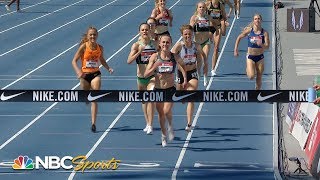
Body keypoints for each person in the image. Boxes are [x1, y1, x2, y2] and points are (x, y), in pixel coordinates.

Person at [144, 34, 187, 147]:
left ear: (171, 43)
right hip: (158, 89)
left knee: (167, 111)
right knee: (161, 114)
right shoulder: (154, 57)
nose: (165, 44)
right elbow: (145, 74)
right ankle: (163, 135)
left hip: (170, 89)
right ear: (159, 43)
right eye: (163, 42)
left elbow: (183, 66)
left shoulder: (174, 57)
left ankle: (170, 126)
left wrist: (184, 79)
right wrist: (155, 67)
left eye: (167, 42)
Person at [72, 27, 113, 132]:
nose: (92, 36)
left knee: (94, 97)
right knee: (86, 94)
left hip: (95, 74)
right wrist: (79, 72)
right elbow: (74, 61)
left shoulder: (100, 48)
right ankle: (86, 96)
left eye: (94, 35)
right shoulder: (83, 47)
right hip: (84, 75)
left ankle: (93, 123)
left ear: (97, 35)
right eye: (90, 35)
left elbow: (102, 60)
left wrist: (108, 68)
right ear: (87, 36)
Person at [171, 25, 206, 132]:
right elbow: (170, 55)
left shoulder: (196, 46)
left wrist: (201, 69)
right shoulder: (178, 46)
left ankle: (189, 124)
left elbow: (202, 57)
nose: (188, 36)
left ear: (193, 35)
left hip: (193, 73)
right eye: (185, 34)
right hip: (180, 74)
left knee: (191, 97)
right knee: (180, 96)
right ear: (182, 35)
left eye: (189, 34)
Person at [127, 23, 156, 135]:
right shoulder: (136, 45)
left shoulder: (154, 43)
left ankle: (150, 124)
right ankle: (147, 123)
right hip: (140, 78)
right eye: (142, 30)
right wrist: (139, 51)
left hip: (152, 76)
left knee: (151, 98)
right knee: (144, 101)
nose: (144, 31)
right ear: (139, 32)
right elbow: (129, 61)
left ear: (149, 31)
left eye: (146, 29)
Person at [234, 14, 270, 90]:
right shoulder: (250, 31)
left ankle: (257, 92)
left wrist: (261, 44)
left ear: (261, 20)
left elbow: (267, 47)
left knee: (259, 75)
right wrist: (235, 49)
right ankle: (248, 68)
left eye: (259, 18)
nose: (257, 20)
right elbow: (239, 37)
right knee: (251, 76)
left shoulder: (264, 33)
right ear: (253, 21)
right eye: (255, 19)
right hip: (250, 56)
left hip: (260, 57)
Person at [189, 1, 217, 86]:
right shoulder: (194, 17)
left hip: (206, 41)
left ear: (205, 8)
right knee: (199, 61)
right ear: (197, 9)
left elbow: (214, 26)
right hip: (197, 42)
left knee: (205, 58)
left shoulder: (208, 17)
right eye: (200, 7)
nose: (201, 9)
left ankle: (205, 76)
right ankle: (198, 73)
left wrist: (211, 34)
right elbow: (189, 29)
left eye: (203, 7)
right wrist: (194, 23)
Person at [206, 0, 227, 76]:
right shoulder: (208, 4)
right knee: (206, 48)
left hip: (217, 28)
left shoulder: (220, 5)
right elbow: (200, 14)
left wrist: (223, 23)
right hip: (209, 28)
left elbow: (224, 17)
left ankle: (213, 69)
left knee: (216, 48)